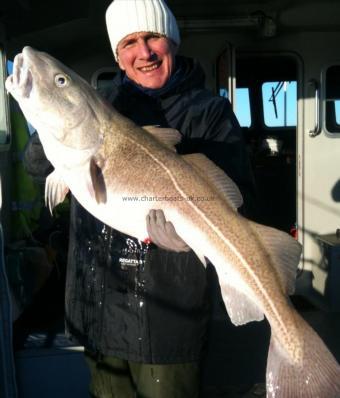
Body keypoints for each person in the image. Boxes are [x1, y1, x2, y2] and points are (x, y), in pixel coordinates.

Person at [23, 0, 257, 397]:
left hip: (170, 320)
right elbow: (38, 168)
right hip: (98, 308)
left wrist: (187, 233)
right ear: (118, 53)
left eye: (153, 38)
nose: (143, 53)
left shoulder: (210, 112)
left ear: (172, 43)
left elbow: (240, 198)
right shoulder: (100, 102)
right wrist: (45, 129)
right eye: (130, 42)